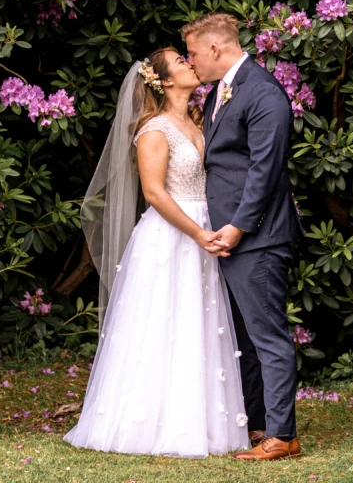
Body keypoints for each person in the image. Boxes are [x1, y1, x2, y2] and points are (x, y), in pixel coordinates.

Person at [64, 48, 248, 458]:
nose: (189, 63)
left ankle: (200, 421)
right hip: (173, 234)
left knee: (199, 323)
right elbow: (153, 192)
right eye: (180, 61)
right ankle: (147, 424)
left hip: (206, 228)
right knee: (163, 323)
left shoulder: (201, 120)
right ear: (164, 81)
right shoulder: (154, 129)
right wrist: (198, 233)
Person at [184, 12, 305, 461]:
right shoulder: (220, 90)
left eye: (193, 53)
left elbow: (264, 170)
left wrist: (237, 227)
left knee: (268, 335)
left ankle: (283, 435)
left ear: (215, 49)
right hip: (231, 236)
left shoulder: (264, 92)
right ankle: (259, 424)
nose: (191, 61)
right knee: (245, 338)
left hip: (258, 236)